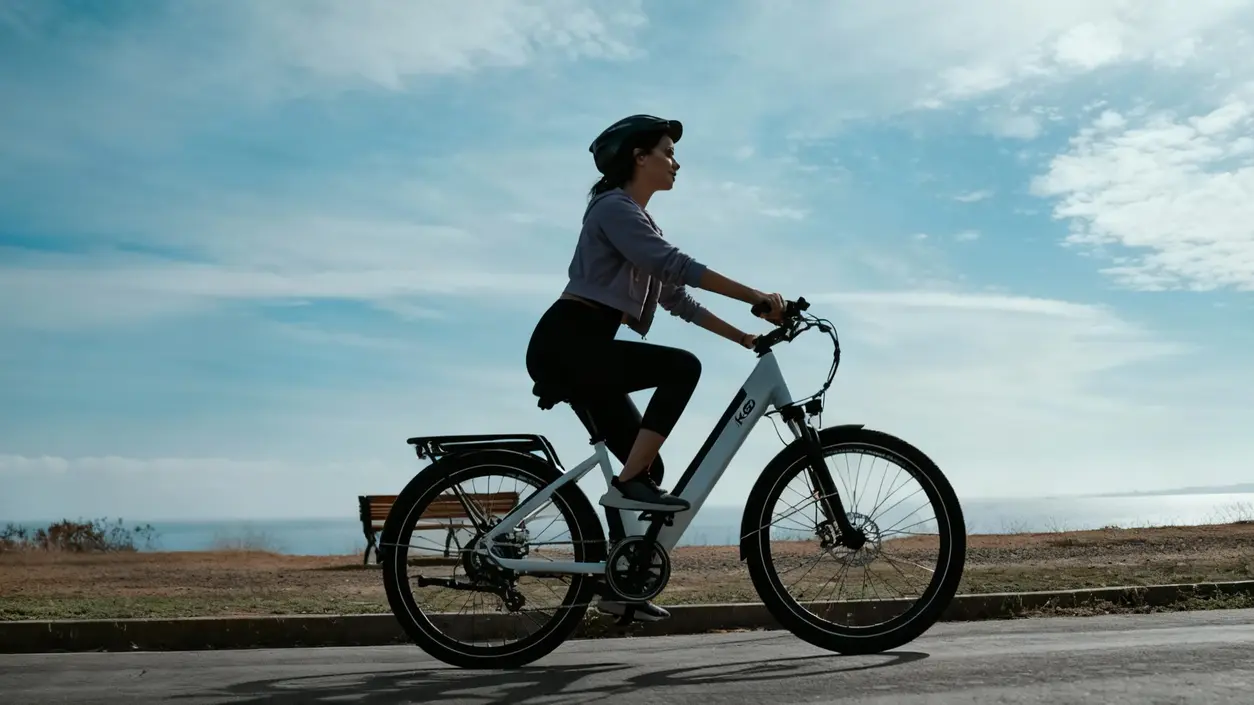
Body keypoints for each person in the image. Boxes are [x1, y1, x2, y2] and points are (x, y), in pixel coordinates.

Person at [524, 114, 786, 621]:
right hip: (569, 340)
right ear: (638, 158)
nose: (675, 162)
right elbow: (674, 264)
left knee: (648, 466)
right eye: (666, 152)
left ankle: (619, 585)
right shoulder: (614, 210)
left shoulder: (637, 222)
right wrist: (755, 296)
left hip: (586, 344)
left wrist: (745, 336)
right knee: (680, 370)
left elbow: (677, 298)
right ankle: (625, 490)